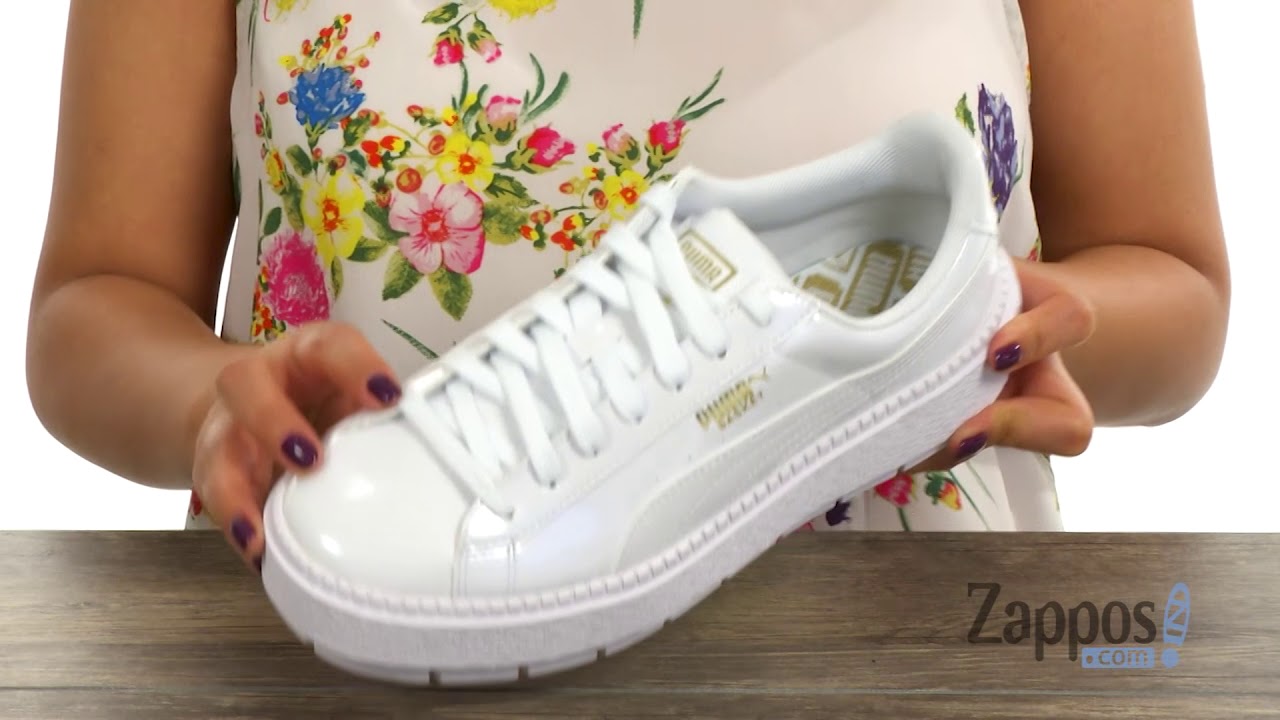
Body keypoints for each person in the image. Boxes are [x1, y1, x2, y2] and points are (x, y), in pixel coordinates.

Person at [26, 0, 1229, 572]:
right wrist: (214, 409)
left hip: (893, 651)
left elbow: (1168, 275)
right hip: (345, 626)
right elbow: (100, 291)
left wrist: (989, 325)